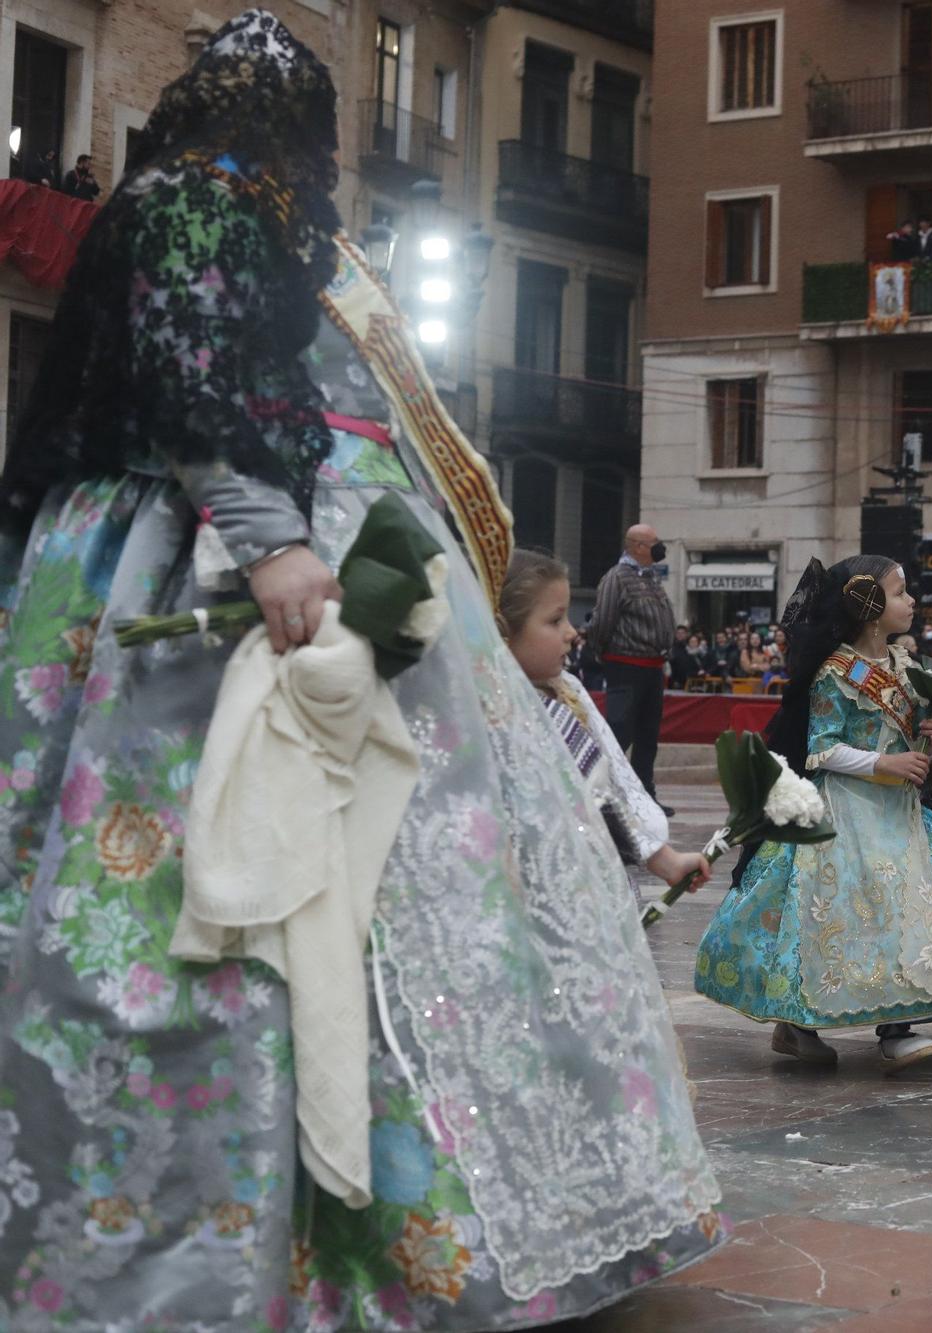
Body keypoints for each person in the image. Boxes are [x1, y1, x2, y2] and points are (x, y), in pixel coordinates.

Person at [0, 13, 725, 1325]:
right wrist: (273, 542)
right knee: (224, 876)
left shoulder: (254, 222)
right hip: (224, 565)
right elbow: (188, 376)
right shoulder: (199, 201)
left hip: (302, 559)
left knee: (378, 873)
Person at [693, 557, 932, 1071]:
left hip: (900, 810)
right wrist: (883, 761)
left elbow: (908, 737)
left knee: (929, 911)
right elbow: (821, 749)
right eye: (900, 593)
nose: (910, 602)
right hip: (848, 810)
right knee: (856, 916)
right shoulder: (836, 672)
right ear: (867, 603)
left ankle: (896, 1024)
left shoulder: (904, 665)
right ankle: (803, 1025)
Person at [499, 549, 714, 931]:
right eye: (553, 620)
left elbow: (607, 791)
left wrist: (664, 860)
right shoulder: (487, 708)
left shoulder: (567, 691)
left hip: (586, 888)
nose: (571, 631)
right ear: (502, 631)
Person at [588, 523, 676, 802]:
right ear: (638, 547)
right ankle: (599, 789)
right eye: (654, 542)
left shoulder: (650, 578)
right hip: (626, 665)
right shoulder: (617, 578)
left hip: (652, 667)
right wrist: (603, 653)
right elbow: (602, 621)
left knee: (648, 736)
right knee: (620, 731)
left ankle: (644, 795)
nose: (660, 547)